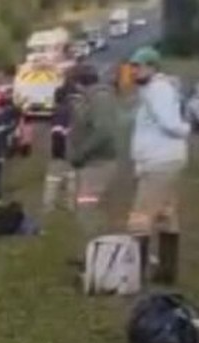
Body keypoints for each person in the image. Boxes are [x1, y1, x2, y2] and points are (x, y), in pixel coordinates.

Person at [127, 46, 191, 284]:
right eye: (132, 66)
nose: (134, 71)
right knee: (166, 215)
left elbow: (171, 123)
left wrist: (184, 129)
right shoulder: (153, 90)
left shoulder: (158, 90)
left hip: (159, 162)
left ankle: (134, 273)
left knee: (140, 217)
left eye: (139, 66)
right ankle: (167, 271)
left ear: (152, 67)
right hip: (166, 159)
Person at [67, 62, 119, 238]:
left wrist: (80, 153)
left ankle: (97, 254)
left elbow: (103, 131)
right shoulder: (93, 98)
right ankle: (94, 252)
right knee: (90, 209)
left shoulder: (99, 98)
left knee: (87, 209)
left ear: (78, 83)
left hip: (98, 163)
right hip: (92, 163)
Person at [42, 74, 80, 212]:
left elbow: (57, 132)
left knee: (53, 179)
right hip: (74, 149)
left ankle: (49, 205)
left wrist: (57, 153)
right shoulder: (76, 109)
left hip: (61, 148)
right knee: (72, 178)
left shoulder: (59, 111)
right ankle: (70, 205)